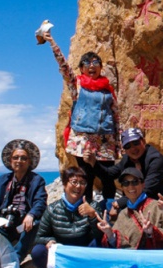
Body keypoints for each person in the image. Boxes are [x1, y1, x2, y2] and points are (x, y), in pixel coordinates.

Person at [41, 30, 119, 202]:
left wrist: (118, 142)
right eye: (87, 63)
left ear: (101, 67)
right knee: (86, 177)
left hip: (106, 139)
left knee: (108, 177)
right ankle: (86, 213)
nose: (92, 66)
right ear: (82, 68)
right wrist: (52, 43)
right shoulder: (76, 84)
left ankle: (109, 212)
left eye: (95, 62)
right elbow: (63, 66)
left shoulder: (108, 89)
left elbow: (115, 115)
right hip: (82, 139)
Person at [30, 167, 104, 268]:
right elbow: (39, 237)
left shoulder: (92, 206)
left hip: (84, 253)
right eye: (74, 182)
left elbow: (101, 237)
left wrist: (93, 216)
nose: (78, 186)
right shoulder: (52, 209)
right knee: (38, 251)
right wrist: (49, 241)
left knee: (99, 244)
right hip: (63, 254)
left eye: (82, 183)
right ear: (64, 184)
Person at [0, 139, 48, 264]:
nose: (19, 161)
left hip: (23, 224)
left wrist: (31, 215)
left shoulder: (37, 180)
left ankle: (15, 259)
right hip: (5, 222)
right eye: (15, 158)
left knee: (35, 223)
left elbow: (40, 202)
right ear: (10, 161)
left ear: (29, 161)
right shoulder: (4, 179)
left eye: (23, 158)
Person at [88, 127, 163, 200]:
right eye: (128, 146)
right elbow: (109, 175)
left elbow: (146, 191)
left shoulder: (155, 160)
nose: (133, 149)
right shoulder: (127, 159)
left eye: (136, 143)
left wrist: (119, 204)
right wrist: (94, 162)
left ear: (143, 141)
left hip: (159, 207)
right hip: (135, 203)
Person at [98, 168, 163, 249]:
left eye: (135, 182)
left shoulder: (157, 206)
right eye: (126, 183)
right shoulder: (123, 214)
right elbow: (119, 245)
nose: (130, 186)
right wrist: (110, 234)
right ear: (122, 188)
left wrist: (151, 232)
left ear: (143, 184)